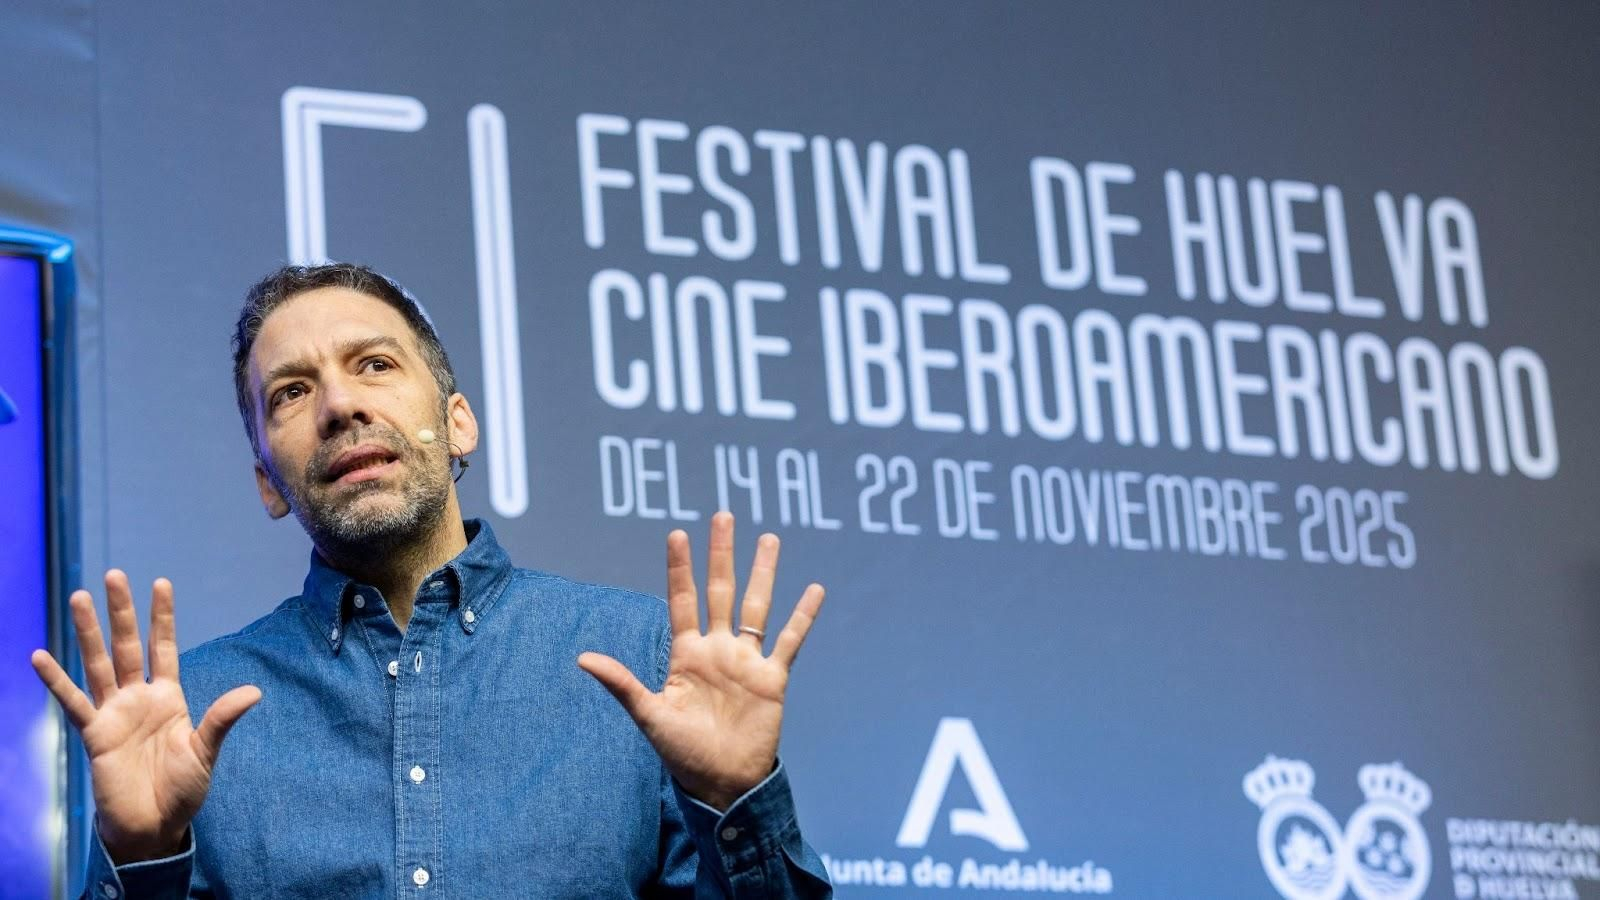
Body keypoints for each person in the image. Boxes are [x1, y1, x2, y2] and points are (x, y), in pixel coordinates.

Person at [30, 263, 833, 898]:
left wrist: (738, 802)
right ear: (269, 482)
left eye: (373, 365)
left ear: (457, 423)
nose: (340, 405)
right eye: (292, 392)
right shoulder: (195, 713)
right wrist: (142, 863)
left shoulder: (642, 659)